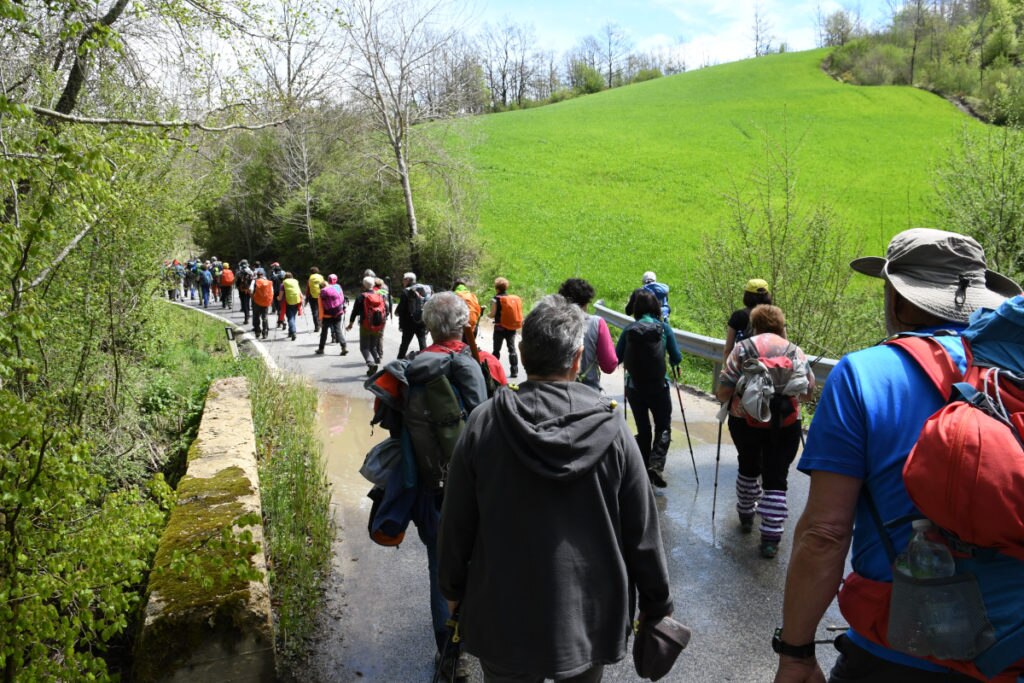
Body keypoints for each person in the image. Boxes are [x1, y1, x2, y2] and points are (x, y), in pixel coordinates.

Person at [772, 228, 1022, 683]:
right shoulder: (1014, 378)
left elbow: (825, 534)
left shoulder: (863, 374)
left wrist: (796, 652)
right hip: (1012, 652)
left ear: (901, 301)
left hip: (895, 654)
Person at [439, 294, 674, 683]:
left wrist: (451, 589)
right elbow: (642, 531)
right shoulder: (613, 429)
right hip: (589, 618)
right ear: (578, 359)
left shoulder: (484, 423)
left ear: (522, 352)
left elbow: (456, 521)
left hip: (502, 614)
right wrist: (657, 602)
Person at [715, 304, 815, 559]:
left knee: (748, 466)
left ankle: (746, 515)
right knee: (776, 477)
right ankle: (770, 539)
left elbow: (724, 389)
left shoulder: (743, 348)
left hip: (745, 421)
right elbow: (808, 391)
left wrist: (730, 397)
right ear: (781, 326)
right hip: (785, 423)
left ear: (755, 325)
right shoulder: (794, 350)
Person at [616, 289, 682, 488]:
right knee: (663, 427)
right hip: (659, 387)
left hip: (634, 387)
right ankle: (656, 465)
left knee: (643, 429)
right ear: (656, 307)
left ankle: (642, 470)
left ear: (636, 308)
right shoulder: (664, 328)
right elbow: (676, 357)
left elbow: (617, 357)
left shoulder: (629, 329)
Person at [558, 277, 618, 390]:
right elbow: (609, 365)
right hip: (588, 389)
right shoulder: (596, 323)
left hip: (558, 391)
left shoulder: (552, 322)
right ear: (586, 302)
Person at [723, 278, 773, 364]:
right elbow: (783, 344)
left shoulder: (738, 316)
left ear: (747, 296)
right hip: (769, 367)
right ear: (767, 296)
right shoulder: (775, 316)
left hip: (743, 367)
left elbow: (728, 349)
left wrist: (727, 369)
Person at [348, 276, 386, 375]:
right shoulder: (379, 295)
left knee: (364, 347)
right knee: (373, 346)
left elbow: (354, 311)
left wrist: (351, 323)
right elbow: (385, 309)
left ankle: (371, 363)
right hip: (377, 324)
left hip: (365, 325)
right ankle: (376, 359)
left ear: (364, 285)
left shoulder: (361, 296)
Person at [488, 277, 521, 378]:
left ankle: (493, 372)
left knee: (496, 350)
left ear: (497, 288)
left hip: (499, 328)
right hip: (511, 328)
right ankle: (514, 371)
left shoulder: (496, 299)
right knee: (512, 349)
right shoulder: (510, 299)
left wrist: (488, 315)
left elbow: (492, 314)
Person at [395, 272, 428, 359]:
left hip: (408, 322)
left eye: (404, 279)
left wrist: (401, 324)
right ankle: (426, 360)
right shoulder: (423, 290)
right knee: (422, 343)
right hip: (421, 321)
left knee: (404, 344)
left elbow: (401, 310)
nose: (402, 281)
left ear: (408, 280)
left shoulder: (405, 291)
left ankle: (399, 362)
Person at [316, 274, 348, 356]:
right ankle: (344, 347)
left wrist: (320, 319)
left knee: (324, 332)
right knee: (338, 330)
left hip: (327, 316)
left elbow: (321, 309)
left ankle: (321, 349)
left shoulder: (321, 295)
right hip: (338, 313)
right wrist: (343, 309)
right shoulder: (336, 289)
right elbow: (341, 299)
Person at [279, 270, 303, 341]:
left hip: (287, 302)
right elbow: (300, 293)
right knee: (292, 317)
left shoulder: (283, 284)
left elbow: (280, 297)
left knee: (290, 317)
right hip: (296, 301)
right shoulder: (295, 282)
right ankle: (290, 332)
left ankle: (293, 332)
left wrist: (277, 298)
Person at [249, 268, 273, 339]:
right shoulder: (268, 282)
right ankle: (265, 332)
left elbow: (250, 290)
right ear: (263, 275)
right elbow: (272, 292)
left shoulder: (254, 281)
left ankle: (257, 332)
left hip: (256, 302)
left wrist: (252, 298)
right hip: (265, 302)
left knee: (256, 317)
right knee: (264, 317)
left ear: (257, 275)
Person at [307, 267, 325, 333]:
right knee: (321, 310)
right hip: (321, 295)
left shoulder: (310, 278)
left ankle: (317, 326)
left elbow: (308, 288)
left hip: (312, 296)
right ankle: (321, 323)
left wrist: (306, 298)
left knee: (314, 312)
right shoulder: (321, 277)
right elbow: (324, 285)